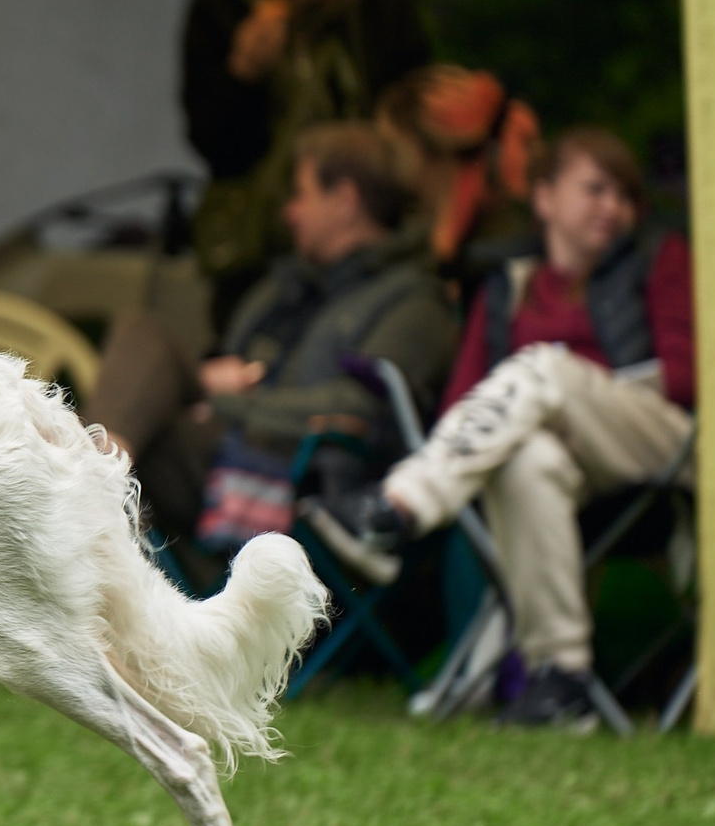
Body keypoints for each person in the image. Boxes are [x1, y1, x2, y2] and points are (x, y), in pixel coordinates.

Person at [304, 129, 693, 727]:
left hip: (661, 443)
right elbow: (465, 401)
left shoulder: (657, 261)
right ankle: (562, 680)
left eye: (623, 196)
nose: (612, 208)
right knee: (529, 459)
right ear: (544, 198)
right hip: (569, 471)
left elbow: (690, 378)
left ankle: (397, 506)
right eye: (595, 190)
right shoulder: (505, 287)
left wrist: (574, 391)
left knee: (540, 370)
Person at [87, 122, 458, 550]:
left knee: (129, 439)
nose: (290, 212)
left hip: (296, 474)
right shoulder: (290, 285)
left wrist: (223, 403)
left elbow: (359, 411)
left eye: (301, 194)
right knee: (141, 331)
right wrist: (208, 384)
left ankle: (89, 478)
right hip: (228, 440)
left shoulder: (415, 305)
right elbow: (230, 363)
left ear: (345, 201)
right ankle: (97, 471)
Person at [182, 0, 430, 326]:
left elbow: (410, 127)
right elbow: (213, 143)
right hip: (254, 244)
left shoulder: (381, 8)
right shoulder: (223, 4)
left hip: (361, 240)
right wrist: (243, 73)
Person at [374, 64, 541, 283]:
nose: (392, 169)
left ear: (440, 159)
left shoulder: (488, 259)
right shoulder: (513, 236)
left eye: (395, 152)